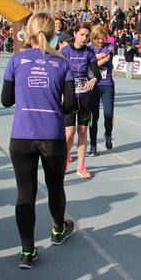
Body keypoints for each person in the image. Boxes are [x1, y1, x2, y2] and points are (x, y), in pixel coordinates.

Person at [1, 13, 77, 268]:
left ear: (28, 34)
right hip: (52, 136)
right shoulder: (63, 63)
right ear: (53, 33)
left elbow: (6, 100)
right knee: (55, 187)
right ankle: (58, 230)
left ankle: (27, 251)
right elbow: (72, 106)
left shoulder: (16, 60)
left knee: (25, 193)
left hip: (22, 136)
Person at [61, 22, 102, 179]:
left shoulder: (89, 52)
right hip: (69, 94)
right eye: (82, 35)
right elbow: (59, 73)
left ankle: (81, 166)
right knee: (69, 133)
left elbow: (96, 73)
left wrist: (93, 80)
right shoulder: (65, 51)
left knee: (82, 131)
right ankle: (65, 159)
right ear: (75, 34)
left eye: (87, 35)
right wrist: (60, 94)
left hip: (85, 95)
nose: (84, 38)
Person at [89, 25, 115, 156]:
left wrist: (91, 61)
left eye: (102, 38)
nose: (100, 41)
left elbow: (106, 59)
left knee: (108, 114)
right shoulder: (88, 48)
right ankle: (93, 146)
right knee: (93, 117)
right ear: (93, 38)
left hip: (107, 85)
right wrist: (94, 58)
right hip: (93, 86)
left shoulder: (109, 46)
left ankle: (108, 134)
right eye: (97, 39)